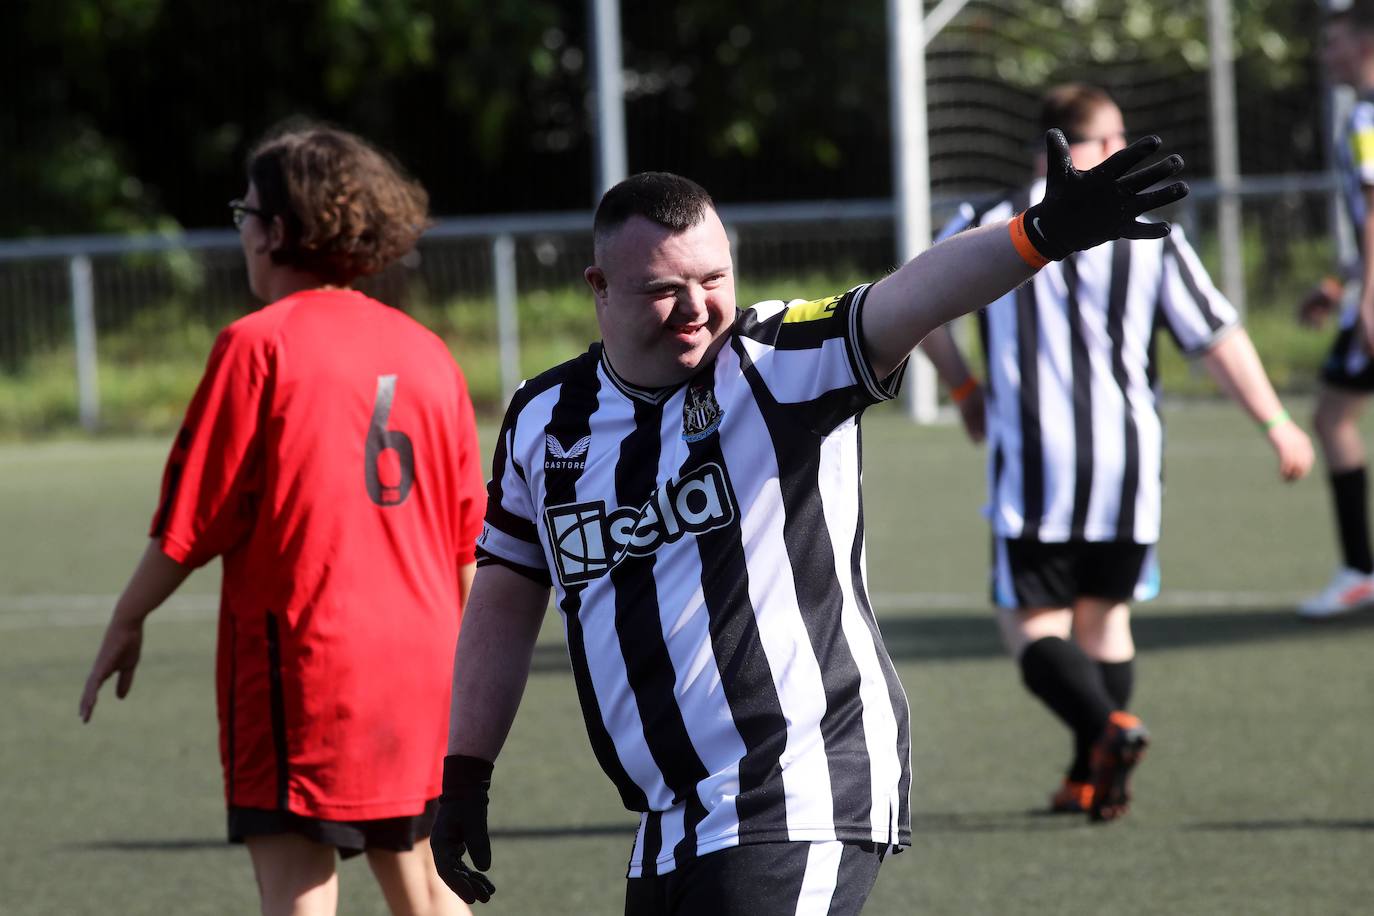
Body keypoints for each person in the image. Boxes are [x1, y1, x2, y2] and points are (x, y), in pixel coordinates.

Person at [430, 133, 1189, 913]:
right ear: (598, 285)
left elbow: (915, 296)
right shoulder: (544, 419)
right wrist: (465, 773)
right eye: (664, 288)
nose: (696, 308)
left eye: (713, 278)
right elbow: (505, 596)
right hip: (668, 819)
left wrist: (1039, 234)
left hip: (799, 786)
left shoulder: (781, 359)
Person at [79, 124, 486, 916]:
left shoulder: (256, 345)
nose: (241, 232)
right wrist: (463, 679)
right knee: (425, 891)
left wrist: (128, 616)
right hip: (420, 666)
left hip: (307, 665)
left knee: (298, 890)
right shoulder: (430, 353)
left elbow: (194, 521)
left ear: (275, 231)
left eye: (245, 213)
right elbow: (466, 542)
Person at [918, 83, 1314, 823]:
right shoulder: (1149, 231)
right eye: (1117, 138)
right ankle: (1090, 774)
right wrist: (1277, 422)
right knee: (1106, 623)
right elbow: (1215, 337)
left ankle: (1105, 731)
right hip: (1128, 466)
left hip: (1035, 465)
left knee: (1031, 626)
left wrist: (966, 388)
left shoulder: (983, 221)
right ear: (1086, 148)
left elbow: (924, 306)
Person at [1297, 0, 1374, 618]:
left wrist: (1368, 295)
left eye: (1336, 42)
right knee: (1333, 415)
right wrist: (1338, 280)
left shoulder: (1368, 114)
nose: (1327, 55)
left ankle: (1358, 569)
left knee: (1331, 416)